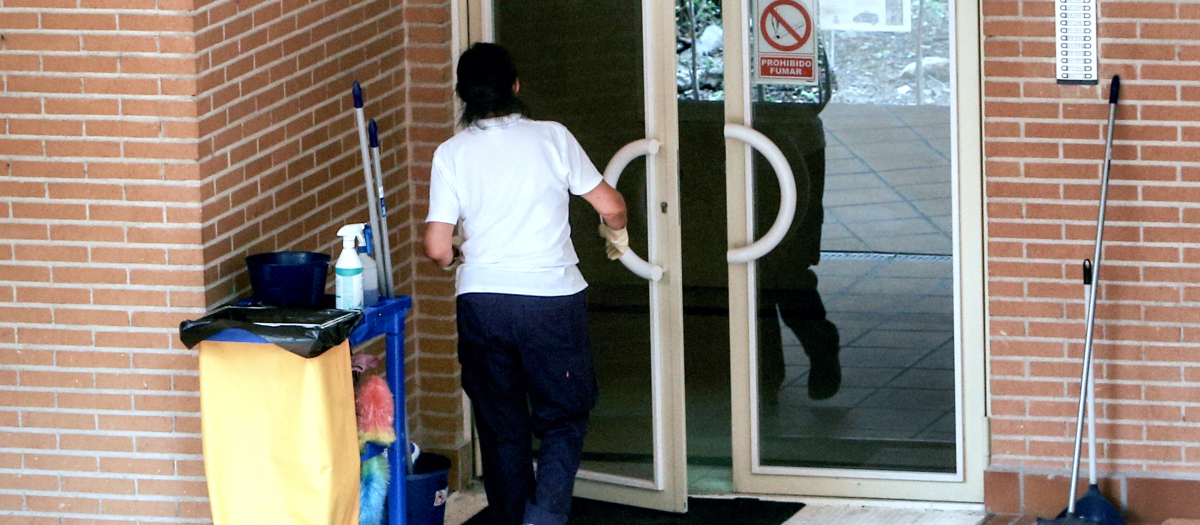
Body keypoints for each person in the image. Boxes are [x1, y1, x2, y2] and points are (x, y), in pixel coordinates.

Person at [422, 42, 628, 525]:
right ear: (516, 86)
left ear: (463, 95)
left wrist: (456, 254)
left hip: (483, 302)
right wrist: (615, 234)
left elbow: (436, 247)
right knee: (564, 415)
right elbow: (611, 205)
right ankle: (545, 517)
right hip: (551, 303)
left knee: (500, 426)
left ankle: (516, 519)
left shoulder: (451, 153)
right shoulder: (552, 138)